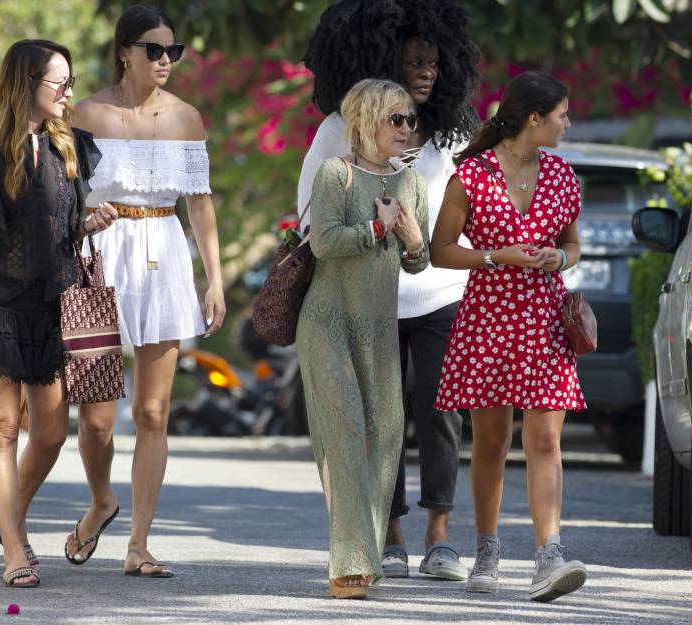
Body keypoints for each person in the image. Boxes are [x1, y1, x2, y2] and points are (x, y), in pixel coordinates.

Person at [298, 0, 480, 581]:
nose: (427, 71)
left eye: (434, 61)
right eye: (415, 61)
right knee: (382, 421)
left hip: (440, 292)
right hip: (362, 302)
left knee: (441, 413)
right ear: (382, 60)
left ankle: (441, 537)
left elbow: (472, 211)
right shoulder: (335, 134)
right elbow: (310, 221)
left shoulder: (453, 132)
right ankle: (391, 533)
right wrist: (372, 229)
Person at [0, 39, 115, 588]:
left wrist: (90, 223)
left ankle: (9, 519)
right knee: (3, 425)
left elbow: (56, 226)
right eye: (58, 81)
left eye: (70, 80)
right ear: (25, 84)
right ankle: (15, 549)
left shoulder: (74, 148)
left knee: (53, 430)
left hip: (53, 305)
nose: (68, 91)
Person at [66, 4, 226, 578]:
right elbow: (61, 193)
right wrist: (81, 224)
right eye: (154, 50)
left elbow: (200, 203)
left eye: (173, 51)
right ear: (124, 52)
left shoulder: (186, 118)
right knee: (97, 418)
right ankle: (100, 502)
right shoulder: (85, 114)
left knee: (154, 411)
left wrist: (215, 278)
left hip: (164, 250)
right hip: (102, 254)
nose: (165, 61)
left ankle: (139, 542)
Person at [430, 71, 588, 602]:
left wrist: (557, 257)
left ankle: (550, 555)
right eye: (562, 114)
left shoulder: (565, 176)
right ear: (534, 118)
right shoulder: (470, 175)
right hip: (488, 319)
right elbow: (441, 250)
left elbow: (574, 246)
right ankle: (487, 549)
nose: (568, 123)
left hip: (544, 321)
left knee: (544, 439)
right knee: (492, 442)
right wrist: (498, 255)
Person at [297, 78, 428, 599]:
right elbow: (324, 243)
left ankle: (365, 555)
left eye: (410, 120)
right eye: (396, 119)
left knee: (385, 440)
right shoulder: (337, 173)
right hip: (326, 323)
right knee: (347, 437)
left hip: (378, 329)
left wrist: (411, 237)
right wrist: (377, 231)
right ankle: (349, 565)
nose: (406, 129)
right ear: (367, 119)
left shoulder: (412, 183)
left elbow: (417, 262)